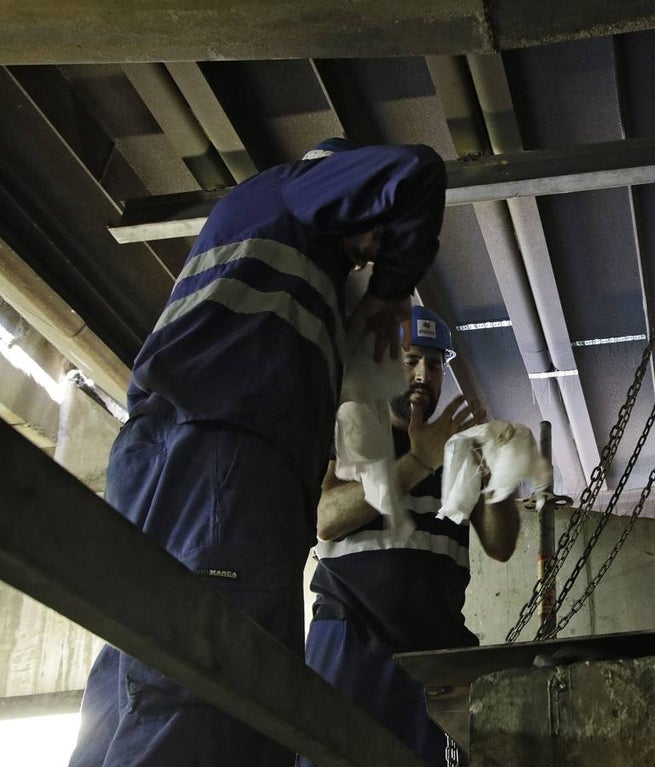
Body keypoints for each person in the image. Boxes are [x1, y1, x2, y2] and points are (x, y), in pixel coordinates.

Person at [70, 139, 447, 767]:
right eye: (372, 236)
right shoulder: (296, 191)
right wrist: (389, 290)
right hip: (228, 453)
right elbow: (417, 171)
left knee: (143, 658)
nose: (370, 253)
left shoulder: (288, 252)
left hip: (180, 450)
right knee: (214, 670)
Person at [302, 305, 520, 767]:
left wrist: (500, 480)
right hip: (352, 643)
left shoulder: (460, 451)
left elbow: (500, 546)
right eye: (410, 360)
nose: (424, 374)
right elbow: (324, 517)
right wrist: (416, 462)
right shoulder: (351, 431)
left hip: (435, 656)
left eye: (436, 364)